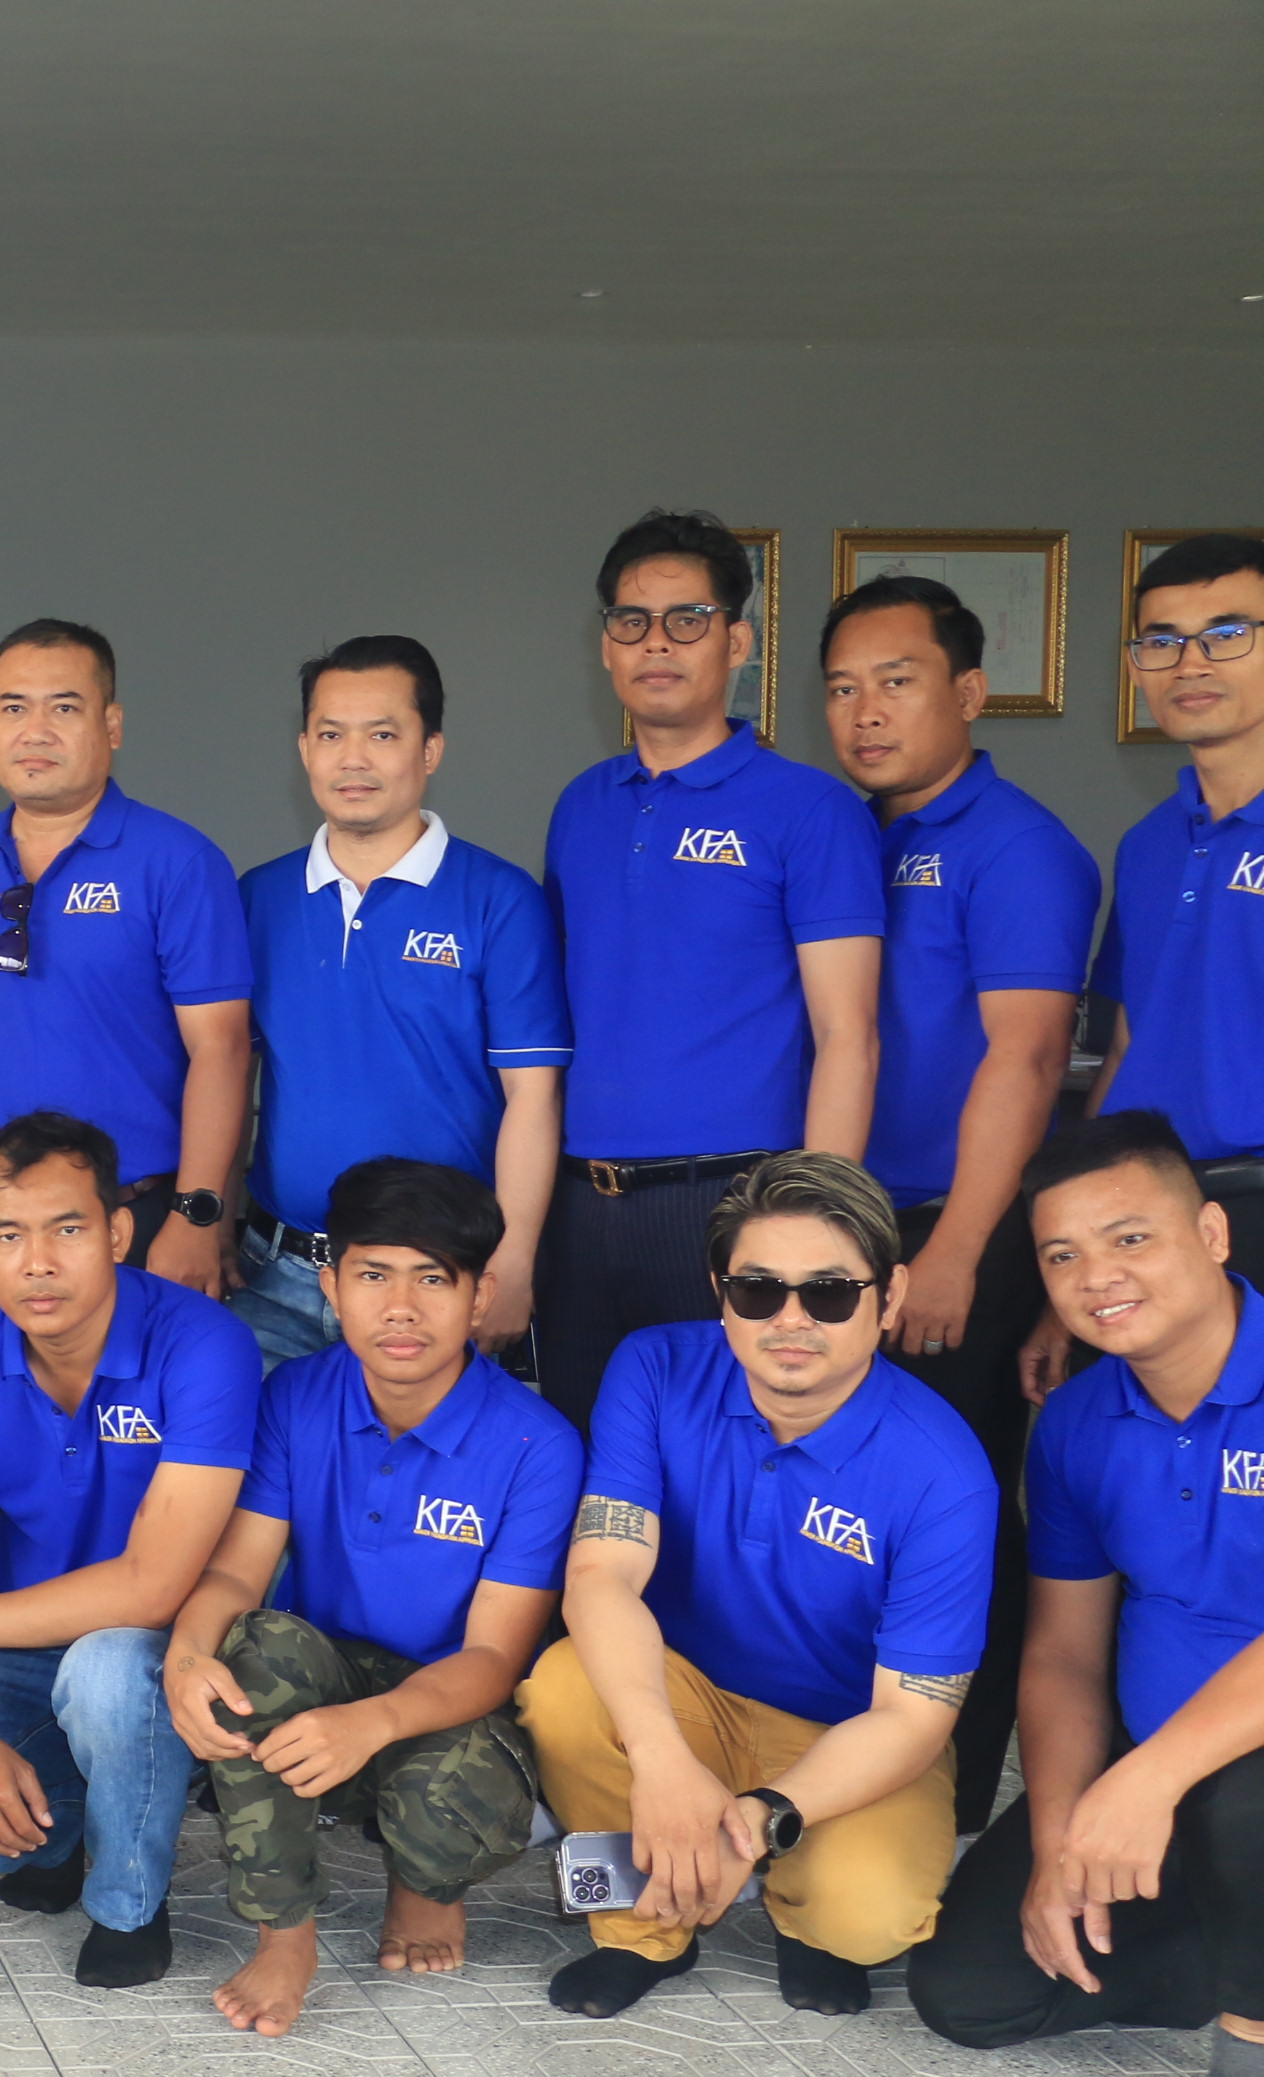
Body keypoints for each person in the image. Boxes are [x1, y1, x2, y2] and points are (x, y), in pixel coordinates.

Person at [523, 1152, 991, 2019]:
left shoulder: (946, 1473)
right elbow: (600, 1574)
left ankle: (800, 1915)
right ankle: (645, 1929)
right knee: (563, 1689)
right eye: (759, 1290)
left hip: (847, 1733)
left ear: (889, 1297)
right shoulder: (655, 1368)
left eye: (830, 1293)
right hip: (689, 1697)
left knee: (870, 1917)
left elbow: (913, 1716)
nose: (791, 1319)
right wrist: (662, 1761)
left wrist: (760, 1816)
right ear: (721, 1293)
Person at [911, 1115, 1264, 2077]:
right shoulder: (1075, 1421)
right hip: (1152, 1764)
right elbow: (1064, 1652)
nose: (1096, 1276)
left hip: (1222, 1774)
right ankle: (1228, 1945)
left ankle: (1253, 2043)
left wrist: (1148, 1779)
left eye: (1130, 1238)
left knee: (1245, 1806)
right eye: (1060, 1256)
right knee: (975, 1992)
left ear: (1212, 1233)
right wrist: (1063, 1836)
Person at [0, 1111, 260, 1988]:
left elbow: (151, 1588)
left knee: (107, 1674)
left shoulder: (202, 1344)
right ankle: (67, 1827)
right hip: (23, 1643)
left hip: (173, 1645)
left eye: (67, 1230)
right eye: (8, 1235)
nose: (37, 1263)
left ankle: (128, 1902)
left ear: (117, 1233)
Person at [164, 1159, 581, 2034]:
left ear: (479, 1296)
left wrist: (375, 1724)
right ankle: (285, 1934)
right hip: (328, 1683)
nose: (400, 1308)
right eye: (373, 1275)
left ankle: (425, 1882)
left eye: (433, 1279)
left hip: (450, 1705)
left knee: (455, 1796)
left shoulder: (536, 1444)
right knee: (252, 1654)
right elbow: (238, 1575)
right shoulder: (295, 1397)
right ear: (331, 1287)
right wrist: (187, 1655)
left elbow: (493, 1656)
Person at [819, 575, 1099, 1827]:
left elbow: (1027, 1058)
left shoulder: (1019, 846)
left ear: (970, 692)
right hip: (843, 1218)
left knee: (951, 1519)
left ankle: (949, 1798)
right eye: (842, 687)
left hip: (949, 1231)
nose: (866, 711)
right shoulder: (844, 832)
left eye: (898, 681)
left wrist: (959, 1252)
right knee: (838, 1511)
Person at [534, 512, 884, 1428]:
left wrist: (819, 1231)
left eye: (687, 620)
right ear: (605, 646)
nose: (656, 643)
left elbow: (847, 1034)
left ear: (738, 643)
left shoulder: (810, 810)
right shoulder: (580, 806)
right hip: (580, 1204)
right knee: (585, 1455)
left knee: (733, 1458)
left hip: (736, 1203)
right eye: (632, 621)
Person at [234, 637, 567, 1368]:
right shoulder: (256, 899)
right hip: (275, 1277)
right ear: (304, 749)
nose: (352, 759)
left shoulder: (500, 901)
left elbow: (533, 1098)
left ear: (430, 750)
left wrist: (512, 1266)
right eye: (331, 735)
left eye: (382, 735)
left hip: (437, 1284)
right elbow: (223, 1075)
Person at [0, 621, 251, 1298]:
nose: (35, 731)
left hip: (135, 1224)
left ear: (111, 725)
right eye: (14, 708)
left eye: (63, 707)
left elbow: (223, 1049)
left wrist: (196, 1218)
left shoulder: (179, 862)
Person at [1057, 532, 1264, 1323]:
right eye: (1162, 641)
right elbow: (1128, 1044)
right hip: (1150, 1210)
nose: (1190, 663)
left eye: (1226, 634)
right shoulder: (1148, 845)